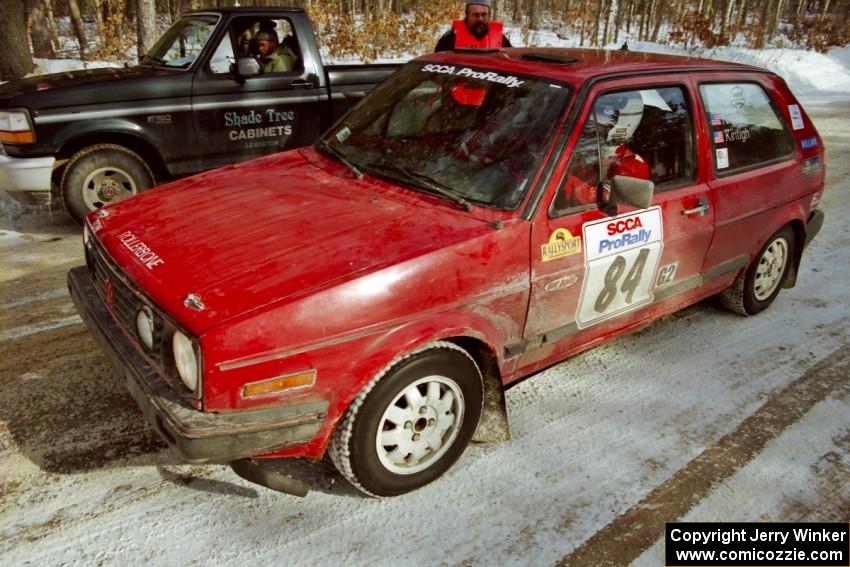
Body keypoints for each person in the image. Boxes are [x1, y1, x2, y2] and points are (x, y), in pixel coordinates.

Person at [434, 0, 512, 52]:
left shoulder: (500, 39)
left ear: (489, 15)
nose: (480, 19)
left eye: (484, 14)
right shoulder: (449, 39)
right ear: (467, 15)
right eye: (476, 15)